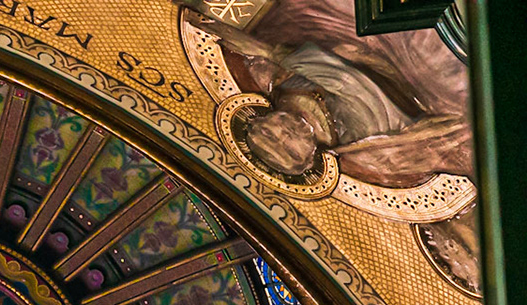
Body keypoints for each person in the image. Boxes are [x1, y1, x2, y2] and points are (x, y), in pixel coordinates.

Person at [175, 0, 471, 186]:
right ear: (311, 160)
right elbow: (344, 78)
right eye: (290, 150)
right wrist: (270, 51)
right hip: (406, 69)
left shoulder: (277, 89)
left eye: (269, 135)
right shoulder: (361, 134)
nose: (286, 135)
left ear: (259, 118)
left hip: (345, 35)